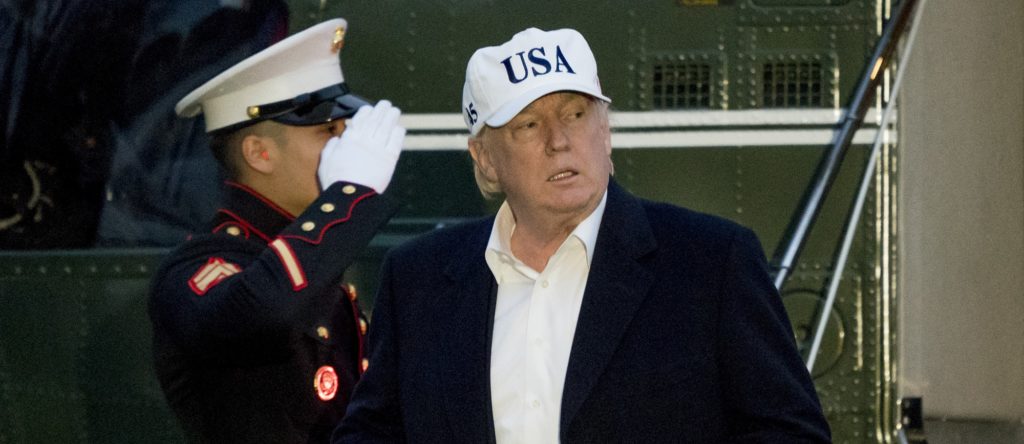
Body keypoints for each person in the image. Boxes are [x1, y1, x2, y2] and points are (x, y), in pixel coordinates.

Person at [336, 28, 831, 443]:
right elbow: (372, 434)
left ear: (605, 130)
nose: (559, 141)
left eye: (575, 114)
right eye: (528, 124)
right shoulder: (420, 279)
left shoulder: (710, 261)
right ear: (485, 158)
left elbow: (789, 433)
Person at [148, 18, 405, 443]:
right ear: (260, 153)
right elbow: (262, 313)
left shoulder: (313, 257)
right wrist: (346, 198)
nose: (346, 145)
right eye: (326, 130)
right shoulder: (199, 269)